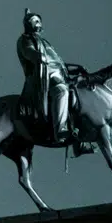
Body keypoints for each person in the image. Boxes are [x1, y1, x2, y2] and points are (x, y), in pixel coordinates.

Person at [16, 9, 71, 144]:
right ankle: (60, 130)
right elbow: (29, 52)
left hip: (59, 74)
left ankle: (79, 138)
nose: (38, 24)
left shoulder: (45, 42)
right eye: (34, 21)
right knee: (61, 91)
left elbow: (57, 61)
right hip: (43, 77)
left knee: (78, 93)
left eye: (38, 21)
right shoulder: (25, 39)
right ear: (28, 24)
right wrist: (39, 56)